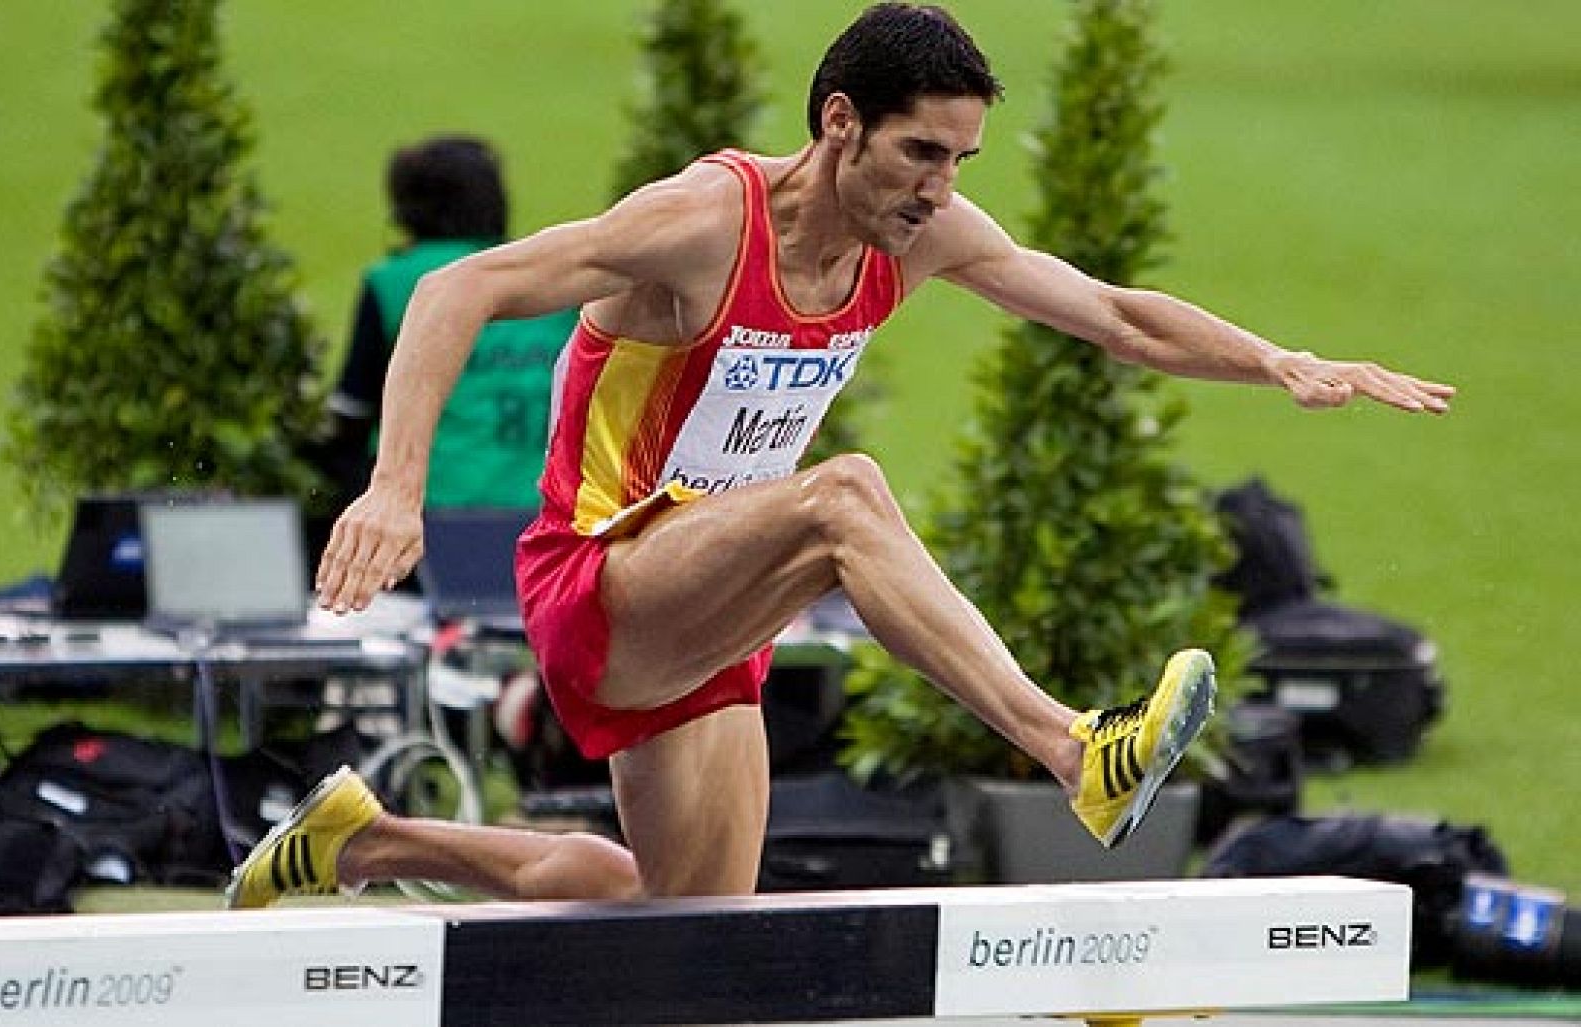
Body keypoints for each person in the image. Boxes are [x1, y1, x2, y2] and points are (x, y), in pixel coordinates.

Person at [227, 3, 1454, 907]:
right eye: (922, 153)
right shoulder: (704, 224)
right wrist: (395, 488)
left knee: (686, 925)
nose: (941, 188)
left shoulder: (917, 236)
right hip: (598, 579)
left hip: (713, 599)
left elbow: (1116, 315)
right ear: (838, 123)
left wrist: (1281, 359)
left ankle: (367, 841)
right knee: (845, 496)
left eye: (962, 160)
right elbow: (459, 286)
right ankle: (1075, 748)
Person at [317, 134, 576, 511]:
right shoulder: (546, 274)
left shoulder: (394, 280)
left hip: (432, 502)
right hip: (543, 505)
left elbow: (352, 408)